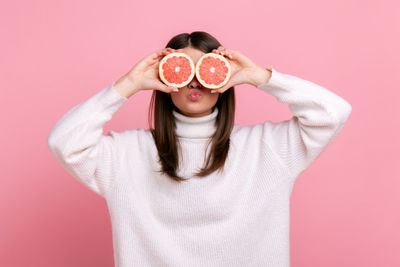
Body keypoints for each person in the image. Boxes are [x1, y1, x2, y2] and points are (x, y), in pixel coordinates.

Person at [47, 31, 352, 267]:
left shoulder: (268, 148)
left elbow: (333, 113)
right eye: (182, 70)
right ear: (165, 80)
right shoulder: (126, 154)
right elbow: (64, 142)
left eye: (205, 70)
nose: (194, 81)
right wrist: (129, 84)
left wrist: (259, 76)